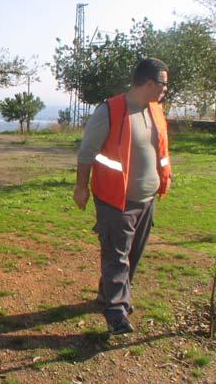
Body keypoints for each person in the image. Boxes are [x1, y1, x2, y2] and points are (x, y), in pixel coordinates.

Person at [73, 58, 172, 335]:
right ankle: (116, 312)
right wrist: (80, 187)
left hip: (147, 199)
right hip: (115, 200)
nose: (165, 90)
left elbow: (159, 151)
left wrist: (163, 179)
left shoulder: (155, 110)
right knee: (117, 256)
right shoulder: (110, 110)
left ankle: (108, 294)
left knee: (132, 254)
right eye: (163, 84)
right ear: (149, 83)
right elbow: (86, 153)